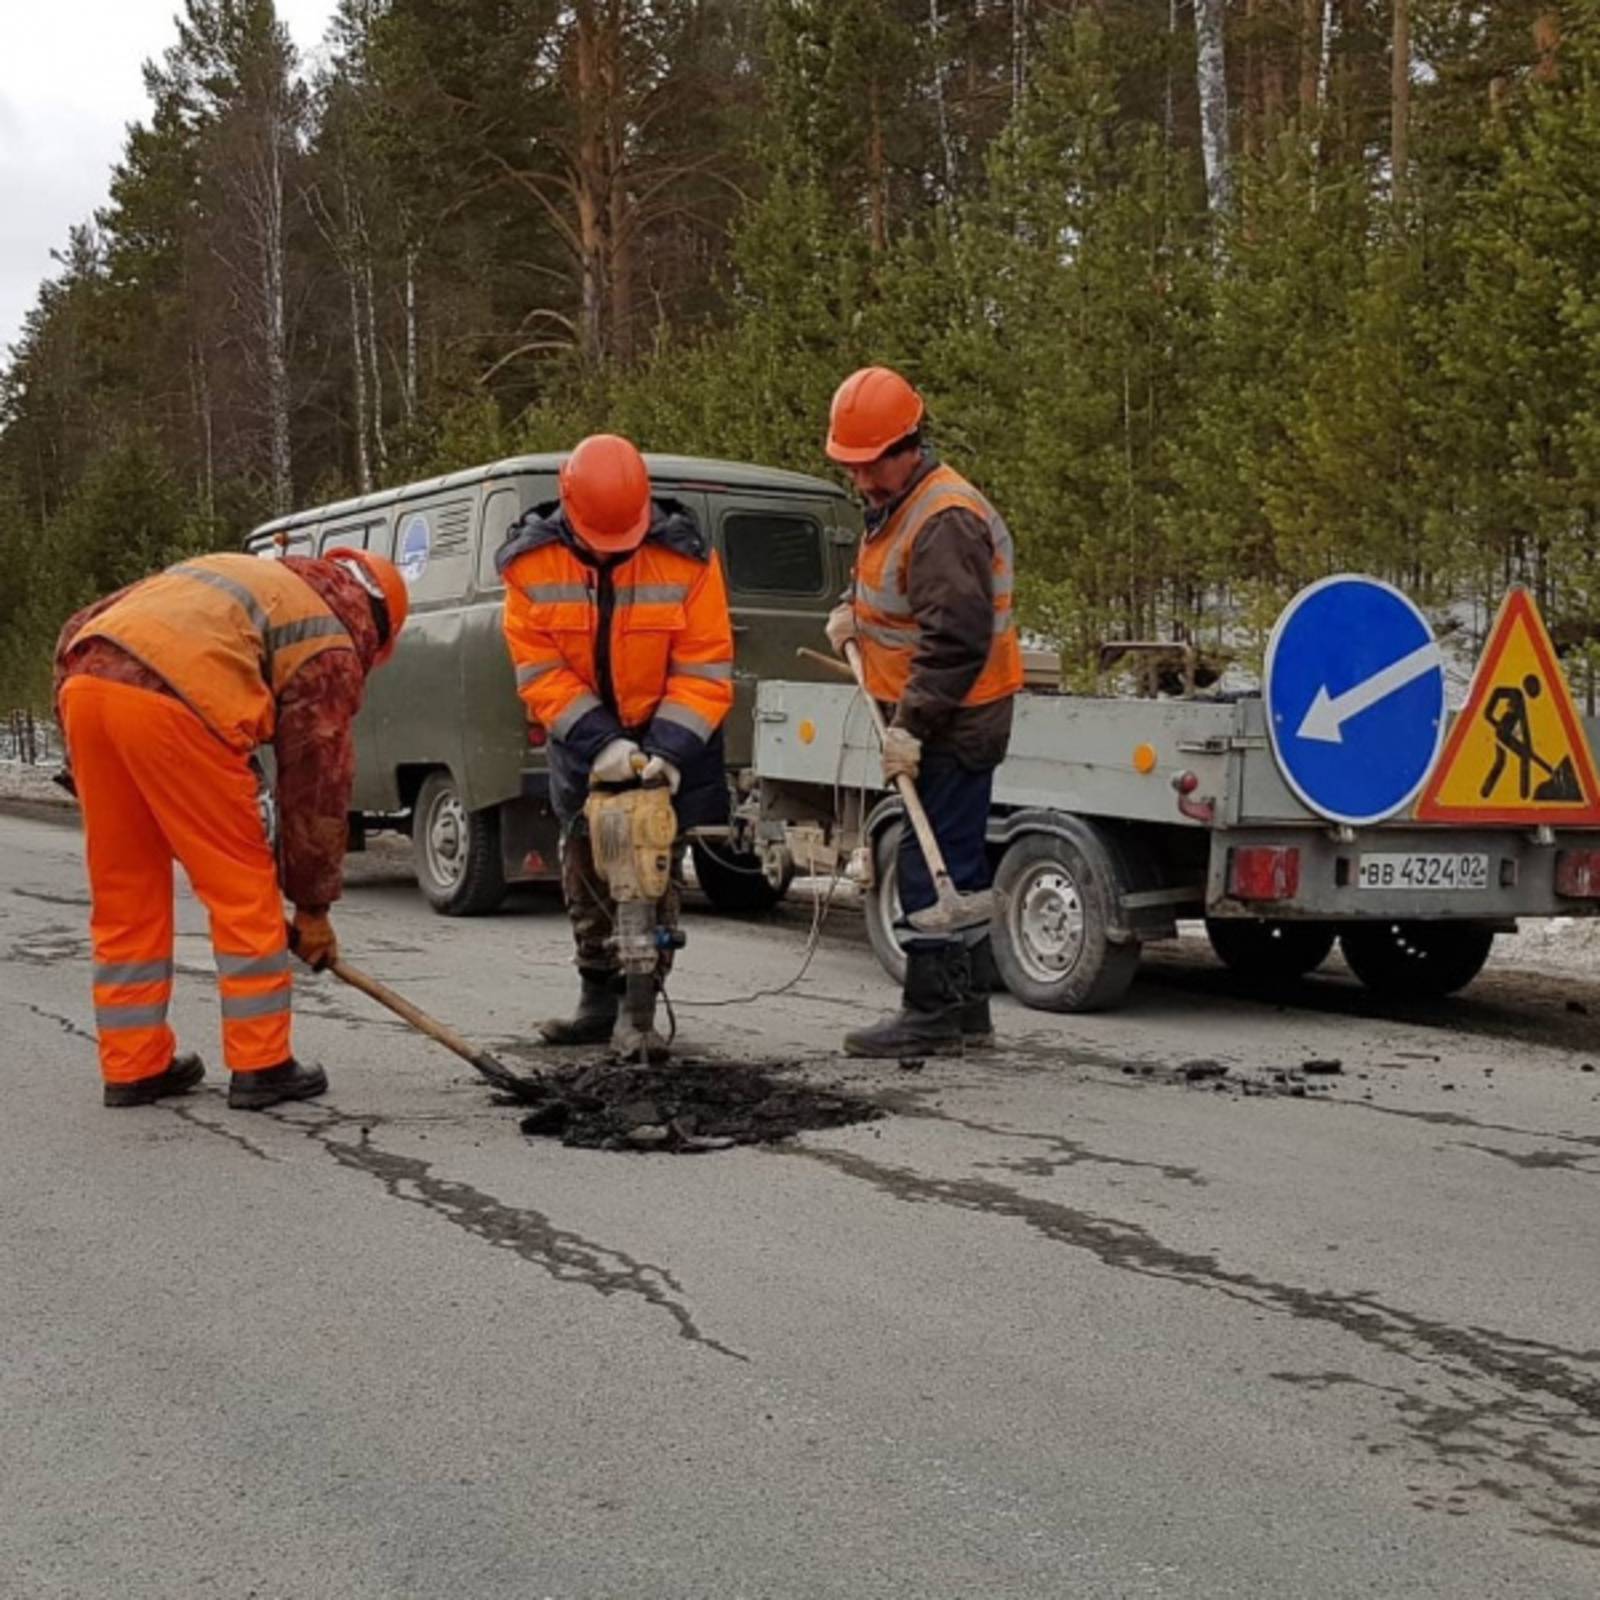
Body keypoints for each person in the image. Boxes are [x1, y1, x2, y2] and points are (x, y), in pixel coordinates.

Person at [53, 546, 409, 1110]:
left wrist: (84, 755)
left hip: (87, 688)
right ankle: (262, 1062)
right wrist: (312, 909)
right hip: (181, 708)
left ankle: (133, 1063)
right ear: (378, 626)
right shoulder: (330, 641)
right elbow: (315, 788)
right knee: (240, 886)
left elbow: (81, 627)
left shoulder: (238, 575)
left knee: (126, 890)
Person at [497, 433, 735, 1053]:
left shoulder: (688, 558)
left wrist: (669, 751)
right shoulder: (530, 565)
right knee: (585, 864)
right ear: (569, 507)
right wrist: (600, 743)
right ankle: (597, 1000)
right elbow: (539, 671)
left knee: (652, 867)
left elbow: (705, 666)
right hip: (583, 737)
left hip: (671, 734)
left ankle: (639, 1011)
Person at [823, 365, 1023, 1057]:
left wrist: (910, 726)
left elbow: (954, 640)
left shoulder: (943, 519)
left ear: (909, 445)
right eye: (850, 466)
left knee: (928, 864)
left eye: (869, 464)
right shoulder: (900, 507)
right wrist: (856, 619)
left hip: (954, 719)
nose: (860, 479)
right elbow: (906, 605)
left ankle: (933, 1011)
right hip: (944, 713)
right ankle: (967, 1012)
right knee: (957, 864)